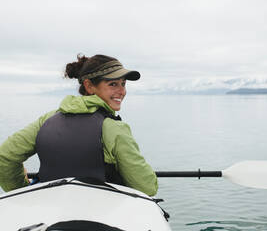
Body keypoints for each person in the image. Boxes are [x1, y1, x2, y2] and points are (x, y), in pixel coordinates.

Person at [0, 54, 158, 196]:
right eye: (113, 84)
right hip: (102, 215)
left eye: (123, 84)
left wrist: (23, 191)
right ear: (89, 86)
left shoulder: (48, 120)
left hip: (51, 211)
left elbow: (5, 156)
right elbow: (147, 187)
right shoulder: (114, 128)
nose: (122, 91)